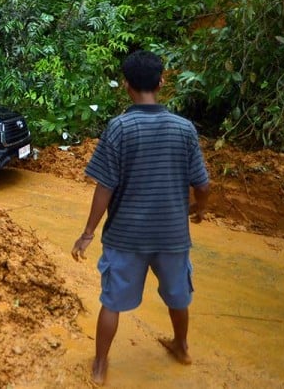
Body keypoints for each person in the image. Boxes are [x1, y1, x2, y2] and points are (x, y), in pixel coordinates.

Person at [71, 50, 210, 385]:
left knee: (112, 302)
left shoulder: (120, 127)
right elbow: (203, 184)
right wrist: (200, 210)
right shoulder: (184, 129)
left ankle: (101, 364)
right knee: (178, 295)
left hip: (125, 236)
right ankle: (181, 346)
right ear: (162, 82)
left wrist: (88, 231)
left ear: (126, 85)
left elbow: (105, 186)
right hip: (172, 236)